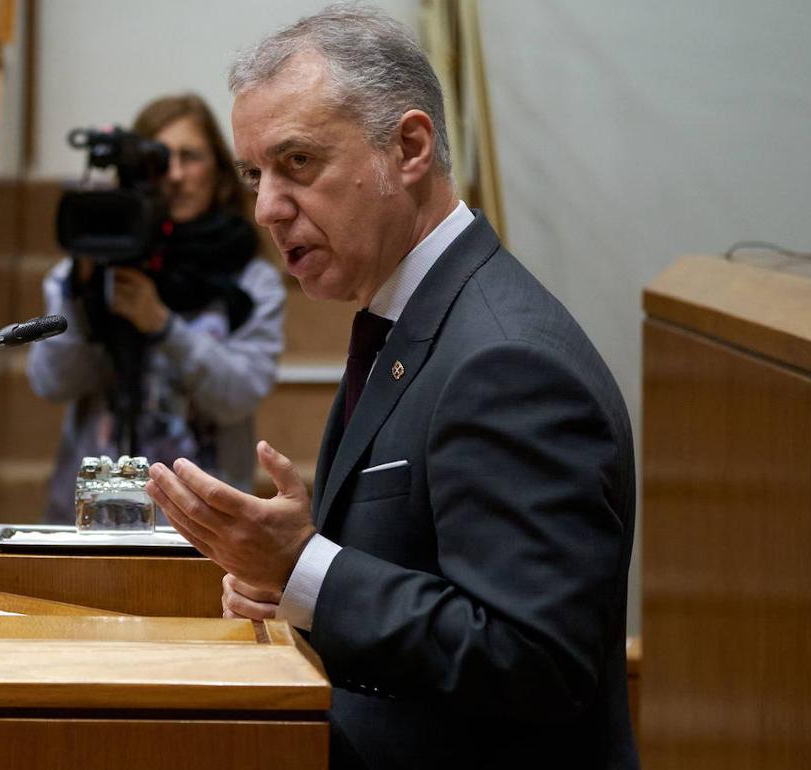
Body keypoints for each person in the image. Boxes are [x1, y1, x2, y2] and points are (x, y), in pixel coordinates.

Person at [144, 6, 638, 770]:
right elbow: (416, 581)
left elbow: (534, 660)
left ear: (409, 148)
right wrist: (292, 594)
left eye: (298, 163)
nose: (266, 207)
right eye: (253, 174)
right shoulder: (405, 317)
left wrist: (303, 570)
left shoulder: (504, 361)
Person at [28, 93, 286, 524]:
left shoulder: (248, 279)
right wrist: (82, 294)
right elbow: (53, 383)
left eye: (192, 157)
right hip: (91, 519)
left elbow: (239, 396)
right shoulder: (86, 270)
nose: (177, 175)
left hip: (204, 523)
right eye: (162, 160)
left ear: (220, 173)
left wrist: (163, 326)